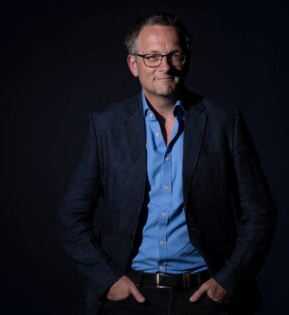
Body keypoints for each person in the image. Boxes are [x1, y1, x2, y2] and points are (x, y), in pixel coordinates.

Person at [59, 12, 277, 315]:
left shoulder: (224, 123)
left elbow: (260, 212)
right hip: (130, 299)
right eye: (152, 57)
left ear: (185, 59)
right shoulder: (106, 126)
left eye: (174, 55)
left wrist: (229, 280)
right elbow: (72, 215)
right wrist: (108, 280)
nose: (165, 66)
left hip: (206, 299)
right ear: (133, 64)